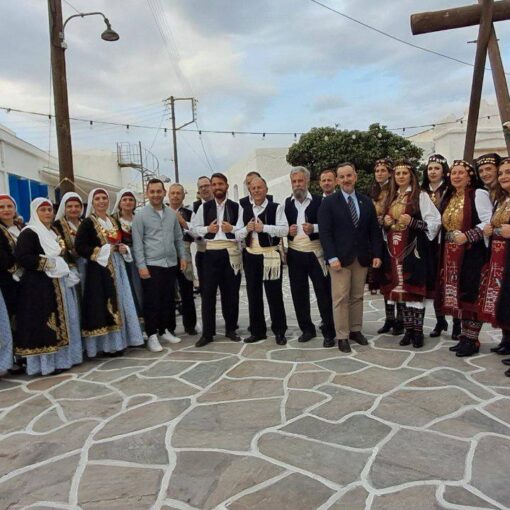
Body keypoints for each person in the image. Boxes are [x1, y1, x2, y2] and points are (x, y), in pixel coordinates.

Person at [319, 162, 383, 352]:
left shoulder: (366, 201)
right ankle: (342, 336)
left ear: (355, 176)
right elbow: (325, 233)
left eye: (349, 175)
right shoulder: (329, 203)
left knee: (357, 296)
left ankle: (355, 330)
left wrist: (377, 253)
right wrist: (331, 257)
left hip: (361, 258)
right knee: (340, 298)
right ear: (337, 180)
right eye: (342, 177)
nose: (346, 180)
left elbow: (374, 230)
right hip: (339, 260)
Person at [15, 197, 82, 376]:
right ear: (35, 212)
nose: (47, 213)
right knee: (46, 324)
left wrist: (65, 266)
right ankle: (47, 364)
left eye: (49, 210)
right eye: (42, 210)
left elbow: (62, 254)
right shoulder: (29, 232)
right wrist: (49, 263)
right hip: (39, 286)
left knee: (64, 321)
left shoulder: (52, 231)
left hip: (58, 283)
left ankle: (64, 359)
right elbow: (23, 257)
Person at [76, 188, 144, 357]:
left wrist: (122, 248)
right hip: (99, 270)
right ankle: (107, 346)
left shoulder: (113, 220)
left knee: (121, 300)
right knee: (104, 304)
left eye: (104, 198)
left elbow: (121, 240)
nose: (101, 201)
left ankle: (121, 341)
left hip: (117, 265)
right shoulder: (88, 223)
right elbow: (80, 246)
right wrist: (103, 250)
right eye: (97, 198)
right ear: (92, 202)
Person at [380, 161, 441, 348]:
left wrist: (413, 222)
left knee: (413, 288)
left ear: (411, 176)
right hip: (394, 249)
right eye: (397, 173)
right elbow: (387, 227)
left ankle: (418, 331)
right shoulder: (391, 197)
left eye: (404, 173)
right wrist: (386, 222)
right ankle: (408, 331)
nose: (400, 176)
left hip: (414, 249)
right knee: (401, 291)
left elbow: (434, 221)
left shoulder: (420, 196)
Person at [438, 160, 492, 357]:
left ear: (470, 177)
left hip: (471, 253)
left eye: (461, 173)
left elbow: (488, 221)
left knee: (471, 293)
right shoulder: (451, 196)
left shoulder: (478, 194)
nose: (456, 176)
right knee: (459, 292)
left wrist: (468, 236)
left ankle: (472, 339)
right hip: (452, 253)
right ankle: (464, 337)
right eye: (454, 173)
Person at [132, 179, 188, 352]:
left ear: (164, 193)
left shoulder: (171, 214)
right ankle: (152, 335)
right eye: (152, 191)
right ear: (147, 193)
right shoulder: (140, 215)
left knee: (168, 299)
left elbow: (178, 238)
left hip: (170, 263)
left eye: (159, 191)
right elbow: (137, 243)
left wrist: (182, 257)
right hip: (151, 264)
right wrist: (141, 266)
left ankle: (164, 330)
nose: (156, 195)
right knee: (152, 301)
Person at [191, 172, 244, 347]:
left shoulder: (237, 207)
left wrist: (232, 229)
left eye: (220, 184)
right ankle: (208, 333)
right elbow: (194, 230)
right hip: (210, 253)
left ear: (226, 186)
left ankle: (231, 329)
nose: (217, 187)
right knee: (208, 295)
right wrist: (208, 229)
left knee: (231, 293)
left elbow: (243, 231)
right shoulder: (203, 208)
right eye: (214, 184)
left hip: (230, 253)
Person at [285, 166, 335, 347]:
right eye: (294, 181)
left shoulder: (320, 201)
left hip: (316, 253)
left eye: (300, 181)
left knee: (323, 293)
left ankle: (329, 331)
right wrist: (287, 231)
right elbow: (281, 226)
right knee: (299, 293)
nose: (297, 184)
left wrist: (314, 227)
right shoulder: (287, 203)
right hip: (294, 253)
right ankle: (307, 329)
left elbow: (331, 225)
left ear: (307, 181)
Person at [236, 177, 288, 344]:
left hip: (270, 255)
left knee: (274, 295)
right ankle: (257, 331)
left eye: (259, 187)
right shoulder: (244, 209)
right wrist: (247, 229)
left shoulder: (276, 207)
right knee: (253, 294)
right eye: (253, 188)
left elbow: (284, 230)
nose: (257, 190)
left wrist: (263, 228)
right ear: (250, 191)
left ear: (266, 189)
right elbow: (236, 234)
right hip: (251, 256)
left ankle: (279, 331)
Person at [420, 154, 460, 339]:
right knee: (434, 282)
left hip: (448, 241)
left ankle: (457, 324)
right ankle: (440, 320)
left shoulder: (451, 191)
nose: (433, 172)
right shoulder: (421, 192)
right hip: (427, 242)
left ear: (444, 171)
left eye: (437, 168)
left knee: (451, 281)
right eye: (430, 168)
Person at [479, 157, 510, 370]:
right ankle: (507, 340)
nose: (503, 176)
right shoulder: (502, 199)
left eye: (508, 172)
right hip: (501, 255)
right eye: (501, 173)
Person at [368, 159, 404, 334]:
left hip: (395, 237)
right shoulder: (374, 191)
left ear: (390, 173)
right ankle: (389, 318)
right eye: (377, 171)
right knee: (384, 280)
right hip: (379, 239)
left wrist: (387, 219)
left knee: (397, 279)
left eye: (383, 170)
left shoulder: (396, 192)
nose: (379, 173)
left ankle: (400, 320)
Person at [168, 183, 198, 335]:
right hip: (166, 254)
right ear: (168, 195)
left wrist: (183, 222)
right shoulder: (162, 211)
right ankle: (169, 327)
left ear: (183, 195)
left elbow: (197, 234)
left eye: (178, 193)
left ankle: (190, 325)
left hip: (185, 253)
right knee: (168, 292)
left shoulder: (190, 213)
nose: (175, 196)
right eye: (172, 193)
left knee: (187, 289)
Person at [111, 189, 143, 319]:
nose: (128, 202)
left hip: (140, 258)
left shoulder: (139, 218)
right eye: (124, 200)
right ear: (119, 203)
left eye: (131, 200)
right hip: (122, 260)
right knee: (128, 288)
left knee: (141, 288)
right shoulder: (113, 220)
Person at [54, 192, 86, 290]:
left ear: (81, 208)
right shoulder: (57, 225)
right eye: (69, 206)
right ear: (64, 208)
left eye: (77, 206)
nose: (73, 209)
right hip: (69, 265)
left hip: (88, 263)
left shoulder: (85, 223)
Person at [192, 176, 213, 294]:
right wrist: (206, 230)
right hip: (203, 252)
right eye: (201, 187)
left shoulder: (224, 204)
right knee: (206, 293)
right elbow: (193, 230)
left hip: (223, 252)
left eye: (206, 186)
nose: (204, 189)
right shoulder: (194, 208)